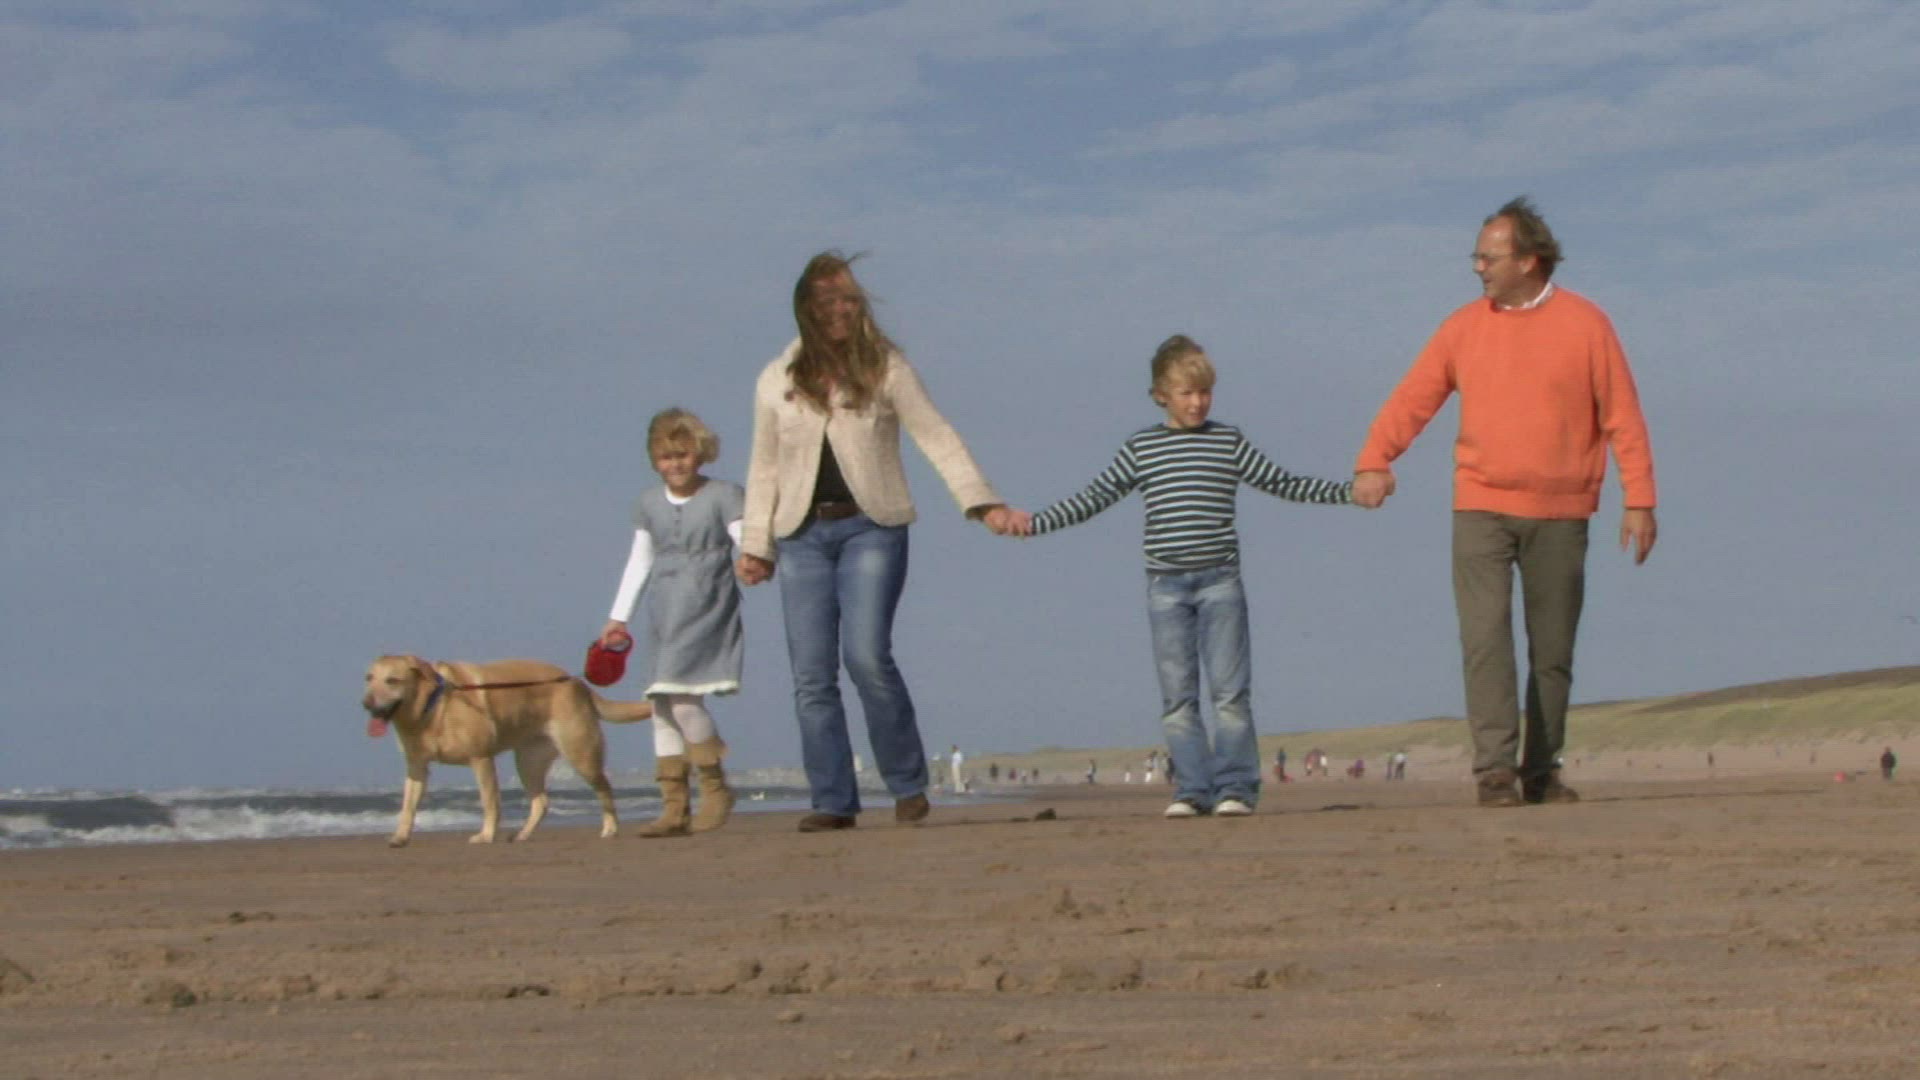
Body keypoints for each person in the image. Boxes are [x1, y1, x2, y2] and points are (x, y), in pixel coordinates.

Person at [1352, 196, 1658, 809]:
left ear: (1528, 260)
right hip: (1481, 507)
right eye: (1476, 257)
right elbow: (1414, 397)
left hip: (1562, 512)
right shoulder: (1463, 327)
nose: (1477, 268)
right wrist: (1374, 458)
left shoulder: (1587, 324)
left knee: (1553, 652)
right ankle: (1494, 772)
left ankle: (1541, 770)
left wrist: (1640, 500)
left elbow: (1623, 415)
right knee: (1485, 640)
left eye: (1487, 258)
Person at [1004, 335, 1358, 818]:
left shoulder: (1227, 441)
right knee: (1178, 699)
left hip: (1220, 582)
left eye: (1204, 392)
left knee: (1230, 695)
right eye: (1187, 393)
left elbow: (1284, 482)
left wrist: (1348, 492)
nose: (1197, 402)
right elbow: (1093, 498)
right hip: (1166, 588)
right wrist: (1034, 523)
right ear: (1160, 395)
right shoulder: (1142, 448)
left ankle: (1236, 788)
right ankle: (1192, 789)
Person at [737, 252, 1013, 832]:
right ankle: (833, 801)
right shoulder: (776, 379)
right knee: (812, 676)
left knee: (866, 656)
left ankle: (907, 784)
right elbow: (764, 466)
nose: (840, 310)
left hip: (872, 527)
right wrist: (756, 543)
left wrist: (981, 500)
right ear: (806, 309)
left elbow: (936, 435)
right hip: (801, 535)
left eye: (848, 299)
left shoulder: (886, 367)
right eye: (828, 301)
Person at [599, 408, 744, 837]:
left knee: (682, 699)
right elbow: (639, 561)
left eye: (682, 455)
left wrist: (754, 560)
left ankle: (715, 787)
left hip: (707, 606)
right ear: (654, 460)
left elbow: (746, 539)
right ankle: (674, 806)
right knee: (661, 704)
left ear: (700, 453)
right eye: (666, 457)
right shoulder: (648, 503)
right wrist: (618, 617)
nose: (675, 464)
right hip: (664, 611)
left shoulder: (724, 495)